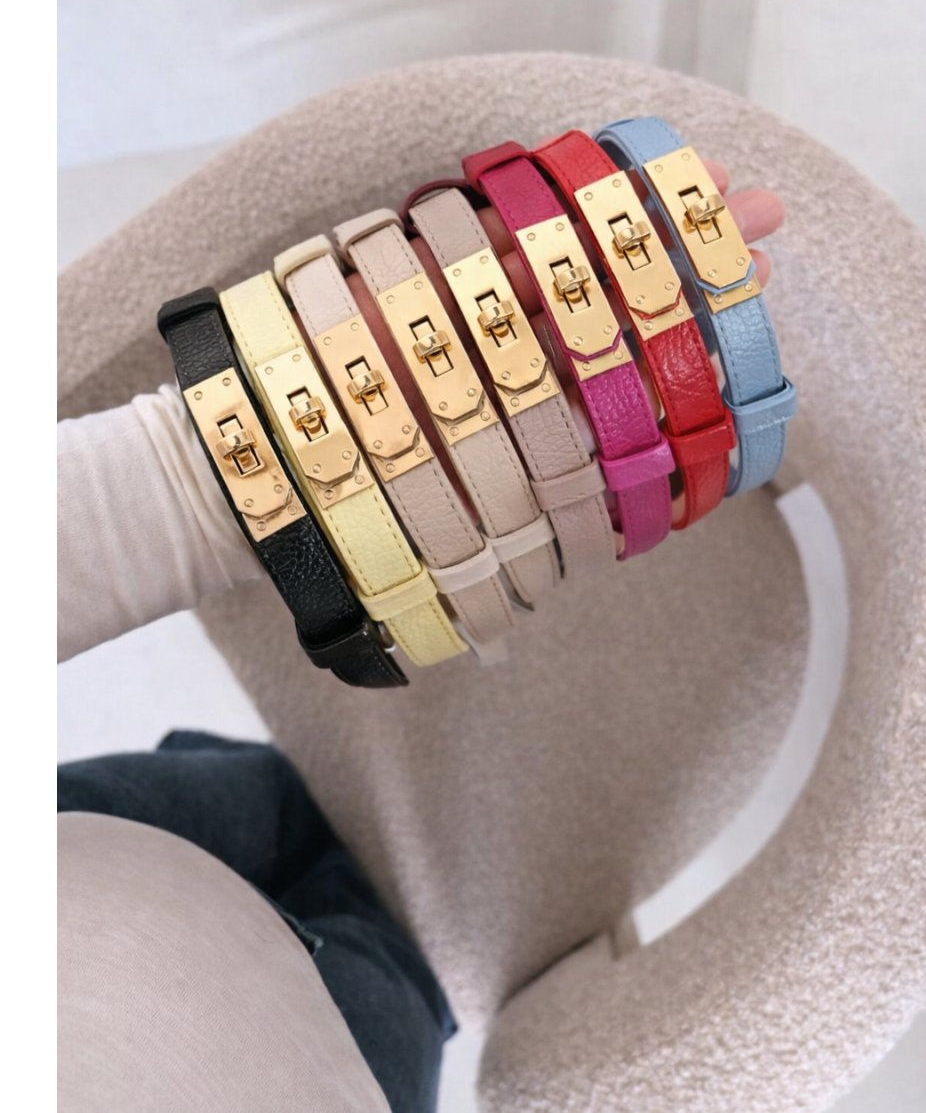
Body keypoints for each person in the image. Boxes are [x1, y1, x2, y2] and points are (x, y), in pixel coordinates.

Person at [58, 174, 783, 1112]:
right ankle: (393, 945)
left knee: (264, 802)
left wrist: (190, 482)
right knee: (390, 960)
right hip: (328, 1053)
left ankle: (315, 841)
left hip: (77, 842)